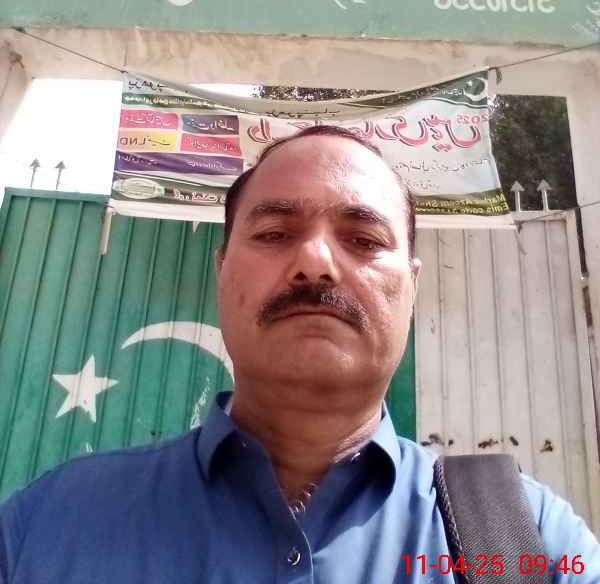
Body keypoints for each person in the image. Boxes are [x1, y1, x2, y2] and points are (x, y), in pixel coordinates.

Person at [0, 125, 598, 583]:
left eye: (363, 239)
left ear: (412, 288)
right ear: (221, 272)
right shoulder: (45, 526)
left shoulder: (527, 542)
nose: (314, 261)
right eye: (274, 234)